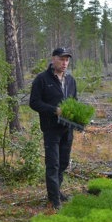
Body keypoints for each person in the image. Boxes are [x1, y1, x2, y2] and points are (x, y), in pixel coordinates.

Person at [29, 47, 77, 210]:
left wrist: (77, 116)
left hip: (67, 128)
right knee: (53, 164)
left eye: (67, 60)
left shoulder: (70, 80)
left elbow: (74, 101)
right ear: (53, 59)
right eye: (62, 59)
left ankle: (57, 191)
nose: (65, 63)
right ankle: (54, 200)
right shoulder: (42, 79)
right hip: (51, 129)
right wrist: (53, 110)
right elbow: (34, 102)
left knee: (63, 162)